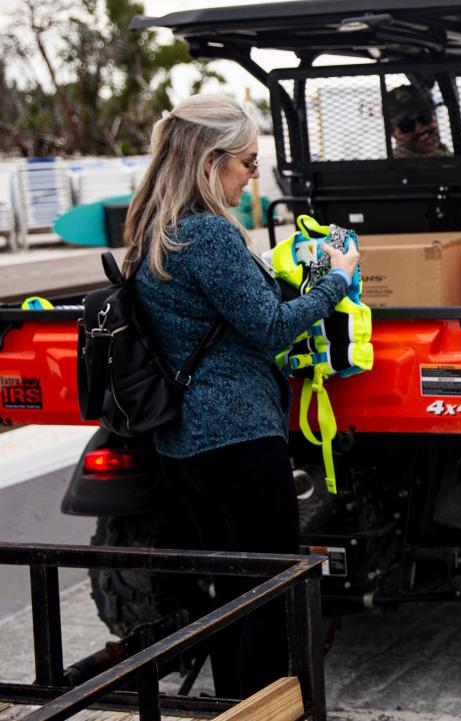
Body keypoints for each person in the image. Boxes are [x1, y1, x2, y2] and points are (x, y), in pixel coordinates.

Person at [126, 94, 359, 698]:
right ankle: (263, 707)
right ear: (211, 161)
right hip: (236, 437)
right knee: (270, 588)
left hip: (185, 444)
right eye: (249, 163)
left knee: (231, 588)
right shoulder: (207, 235)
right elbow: (273, 327)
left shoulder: (157, 229)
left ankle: (233, 706)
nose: (252, 176)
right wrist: (337, 279)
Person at [387, 82, 449, 158]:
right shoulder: (400, 168)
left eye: (424, 117)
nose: (420, 129)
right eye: (407, 125)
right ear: (393, 133)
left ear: (434, 116)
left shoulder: (443, 156)